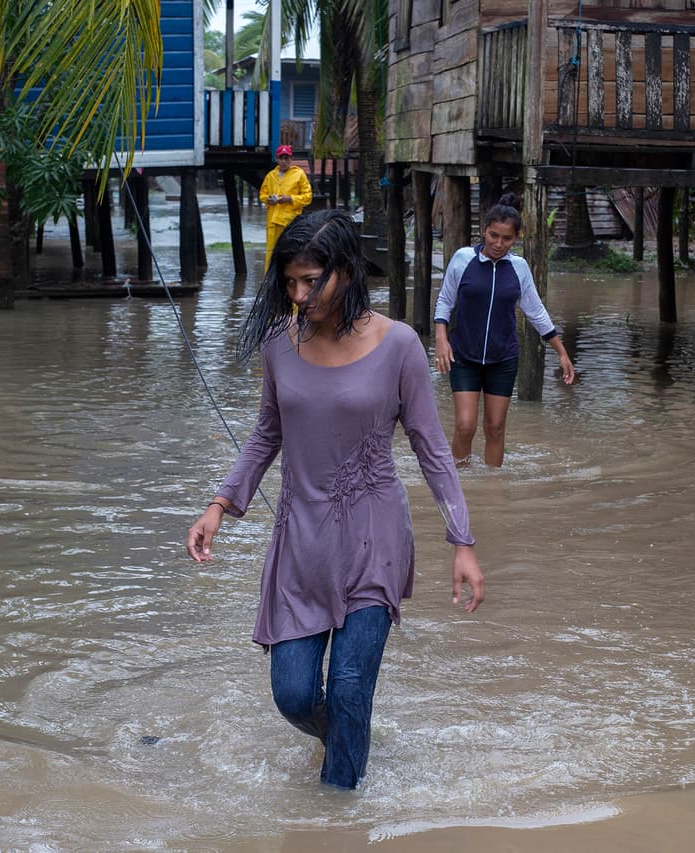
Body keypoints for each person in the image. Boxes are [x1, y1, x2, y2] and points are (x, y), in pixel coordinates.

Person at [186, 210, 484, 790]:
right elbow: (266, 434)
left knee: (349, 687)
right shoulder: (279, 343)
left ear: (346, 271)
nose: (299, 295)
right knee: (294, 695)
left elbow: (431, 448)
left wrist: (462, 540)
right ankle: (349, 737)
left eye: (311, 280)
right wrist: (219, 506)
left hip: (374, 538)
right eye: (290, 282)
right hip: (301, 541)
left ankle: (337, 818)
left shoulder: (398, 344)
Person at [432, 192, 576, 468]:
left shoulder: (519, 268)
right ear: (484, 231)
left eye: (506, 238)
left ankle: (493, 490)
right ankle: (457, 485)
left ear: (516, 237)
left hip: (503, 359)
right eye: (493, 235)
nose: (498, 243)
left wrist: (561, 352)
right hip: (464, 355)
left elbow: (536, 312)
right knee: (465, 426)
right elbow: (445, 301)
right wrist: (441, 338)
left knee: (496, 428)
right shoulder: (462, 260)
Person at [259, 144, 313, 271]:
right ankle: (269, 280)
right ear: (277, 159)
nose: (284, 161)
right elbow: (262, 194)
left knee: (290, 252)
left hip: (290, 222)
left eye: (286, 158)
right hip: (273, 221)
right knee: (272, 252)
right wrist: (268, 199)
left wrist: (290, 199)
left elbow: (308, 196)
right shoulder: (271, 176)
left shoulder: (299, 174)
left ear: (291, 159)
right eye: (281, 158)